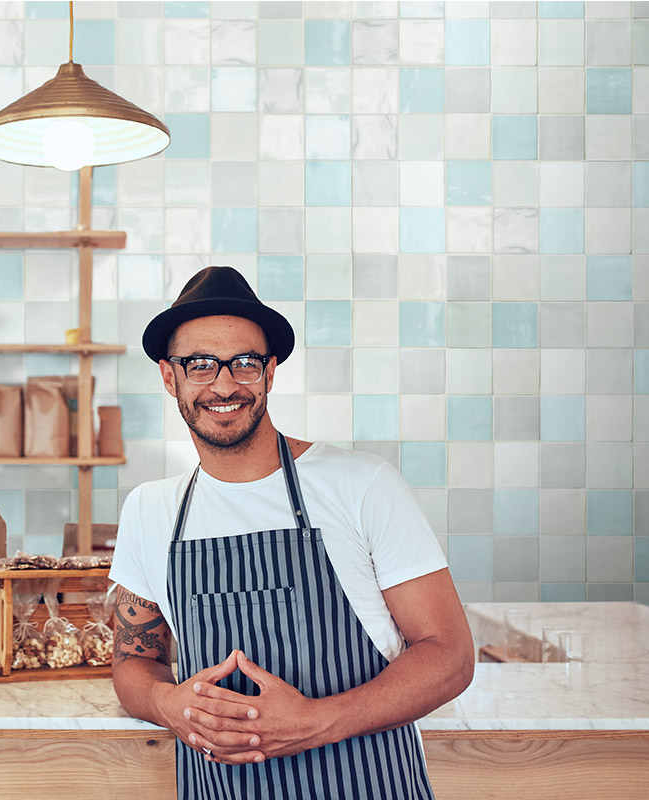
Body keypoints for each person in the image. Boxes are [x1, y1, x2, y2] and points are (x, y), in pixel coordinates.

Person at [108, 266, 474, 799]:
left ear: (270, 372)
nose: (225, 384)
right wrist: (171, 706)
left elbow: (450, 655)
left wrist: (315, 721)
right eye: (201, 365)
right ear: (171, 378)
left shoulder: (362, 483)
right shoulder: (150, 509)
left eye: (245, 364)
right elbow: (134, 660)